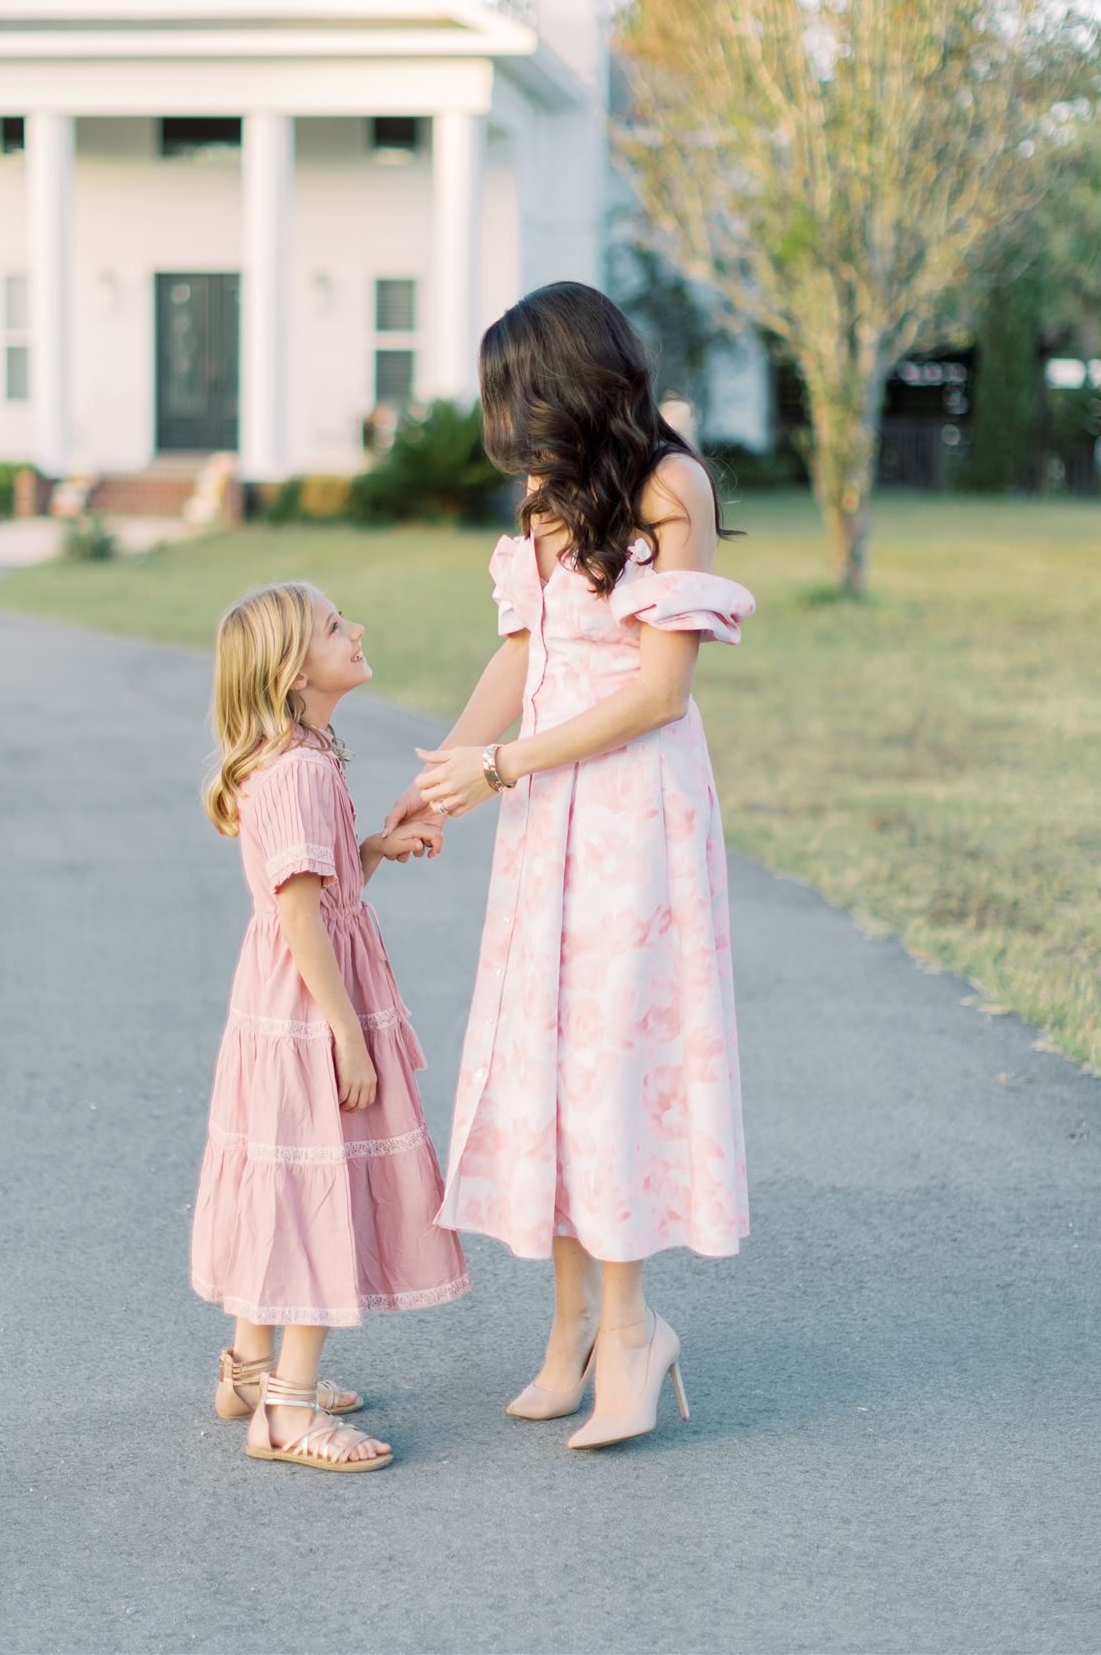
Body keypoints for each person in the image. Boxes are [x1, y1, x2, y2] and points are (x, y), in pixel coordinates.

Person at [386, 281, 754, 1452]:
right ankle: (566, 1333)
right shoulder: (546, 492)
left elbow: (657, 691)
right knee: (540, 1059)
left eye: (522, 398)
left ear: (573, 378)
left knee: (610, 1064)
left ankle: (634, 1328)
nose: (513, 431)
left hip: (634, 813)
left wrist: (501, 767)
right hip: (545, 799)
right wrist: (450, 764)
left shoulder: (669, 485)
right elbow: (527, 653)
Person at [191, 582, 469, 1473]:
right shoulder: (304, 768)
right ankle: (287, 1411)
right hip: (313, 1013)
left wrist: (372, 852)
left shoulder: (294, 756)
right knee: (320, 1191)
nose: (356, 630)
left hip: (280, 1001)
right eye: (333, 626)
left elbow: (316, 890)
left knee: (284, 1179)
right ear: (291, 668)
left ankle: (248, 1368)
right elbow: (301, 915)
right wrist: (348, 1034)